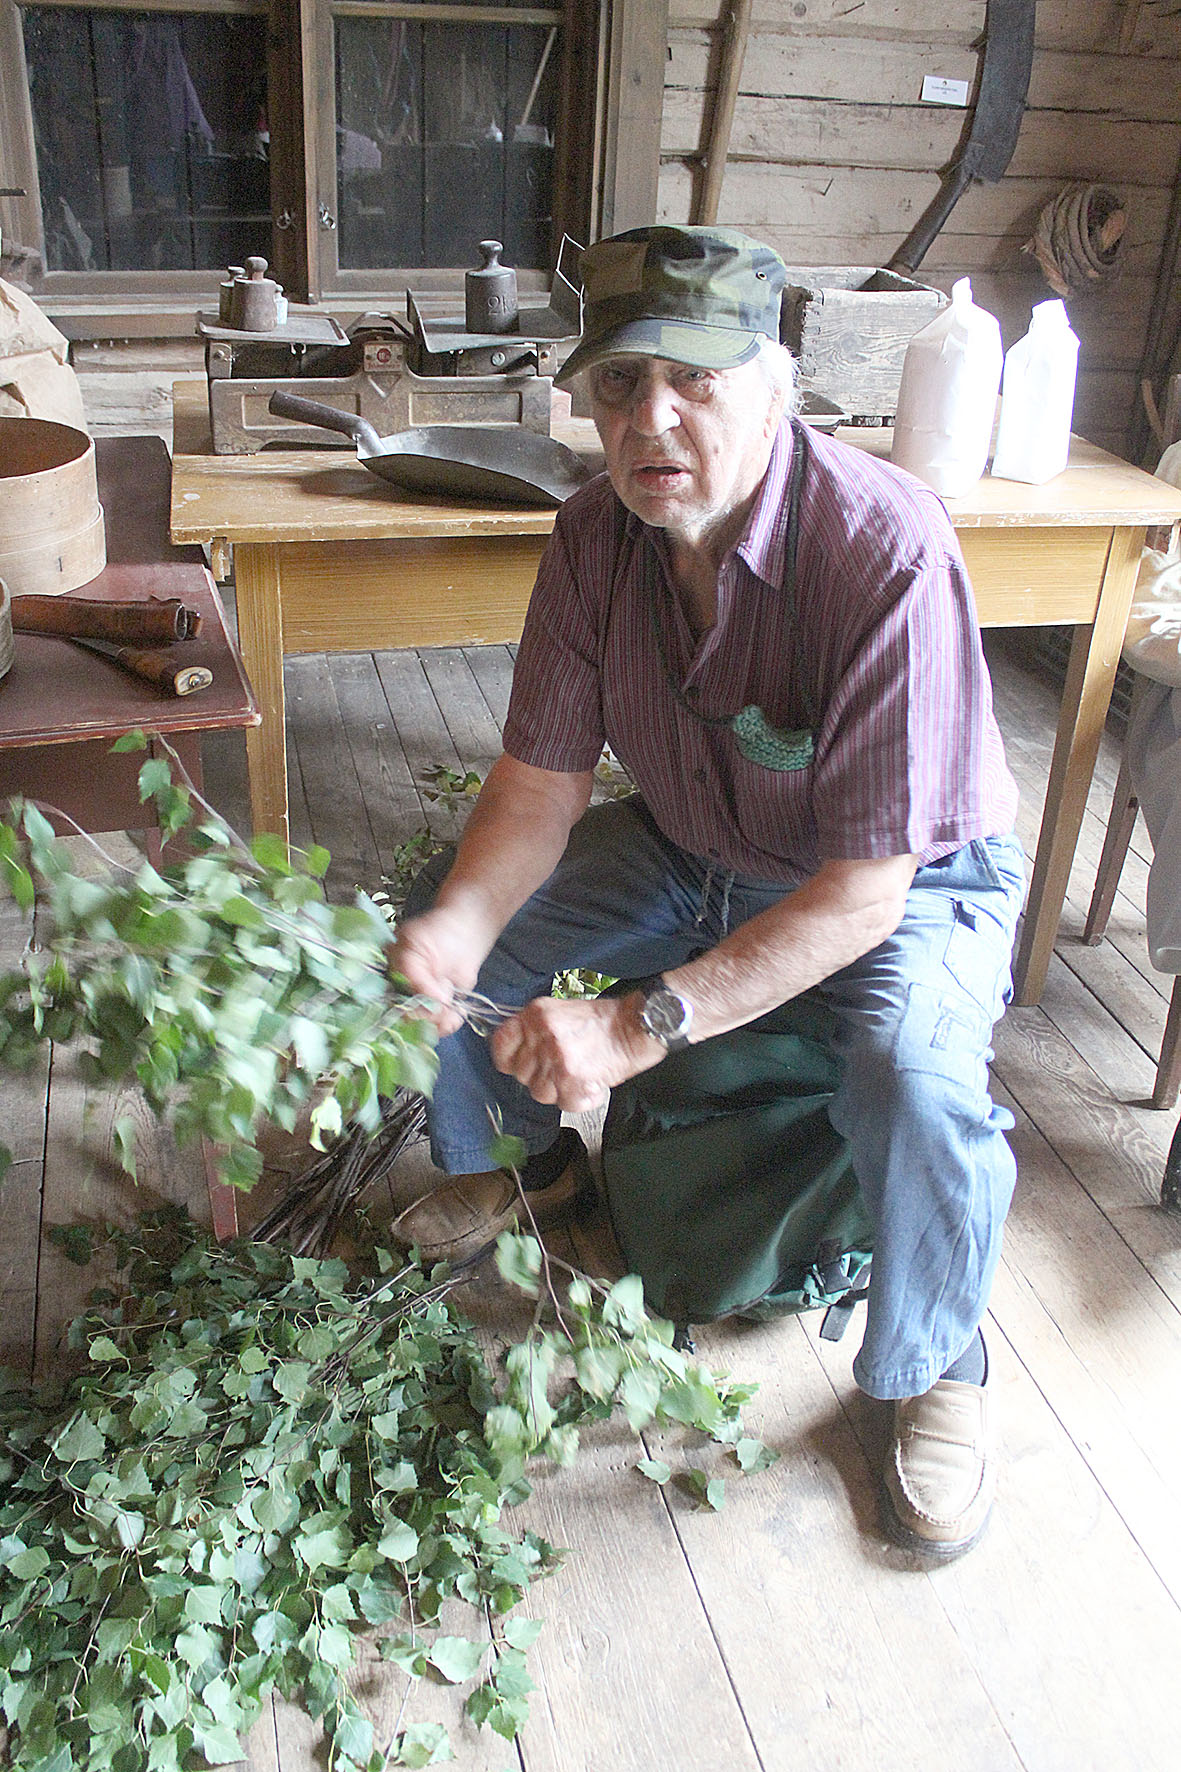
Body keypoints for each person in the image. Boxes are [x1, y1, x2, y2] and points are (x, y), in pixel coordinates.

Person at [387, 225, 1026, 1562]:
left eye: (694, 379)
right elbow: (538, 785)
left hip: (900, 877)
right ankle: (532, 1169)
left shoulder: (878, 549)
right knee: (474, 946)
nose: (650, 419)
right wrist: (456, 926)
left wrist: (633, 1026)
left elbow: (862, 891)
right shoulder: (592, 540)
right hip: (695, 842)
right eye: (618, 384)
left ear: (775, 383)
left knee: (907, 1074)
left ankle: (934, 1358)